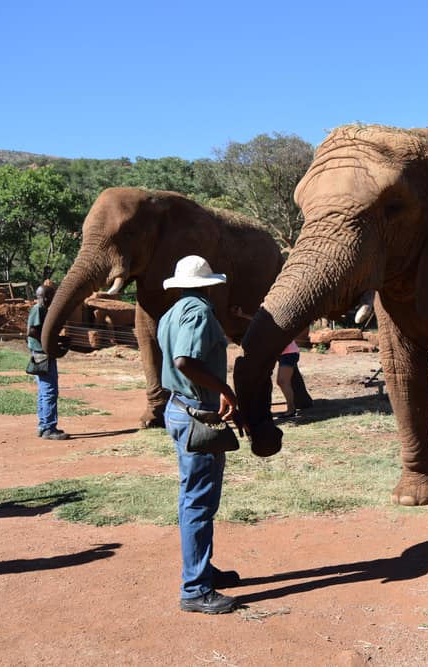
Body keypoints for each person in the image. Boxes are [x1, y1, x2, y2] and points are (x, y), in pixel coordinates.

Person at [157, 255, 245, 614]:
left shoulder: (171, 313)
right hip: (196, 414)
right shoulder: (199, 312)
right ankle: (195, 589)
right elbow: (184, 361)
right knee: (199, 501)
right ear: (209, 285)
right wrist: (224, 388)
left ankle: (201, 569)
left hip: (178, 408)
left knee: (191, 497)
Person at [27, 282, 69, 440]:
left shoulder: (43, 309)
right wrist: (49, 342)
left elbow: (42, 331)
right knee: (49, 391)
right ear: (45, 297)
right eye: (52, 296)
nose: (54, 299)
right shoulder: (38, 309)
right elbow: (32, 331)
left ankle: (43, 425)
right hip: (42, 354)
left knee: (44, 391)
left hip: (42, 353)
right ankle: (49, 429)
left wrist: (58, 339)